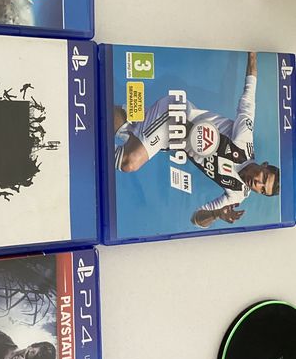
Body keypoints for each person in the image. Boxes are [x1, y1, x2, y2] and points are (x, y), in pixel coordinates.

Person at [114, 52, 279, 228]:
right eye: (264, 177)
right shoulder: (243, 142)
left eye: (262, 189)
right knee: (129, 162)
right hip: (175, 115)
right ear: (264, 164)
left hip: (171, 139)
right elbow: (248, 99)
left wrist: (216, 214)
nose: (258, 183)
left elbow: (196, 218)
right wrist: (252, 54)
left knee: (113, 121)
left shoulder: (237, 193)